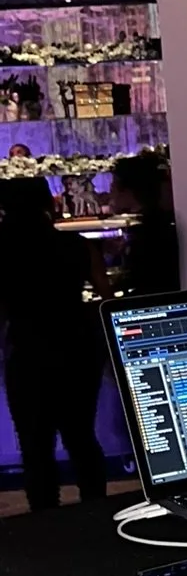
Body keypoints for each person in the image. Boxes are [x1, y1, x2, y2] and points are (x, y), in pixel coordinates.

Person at [0, 176, 111, 511]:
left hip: (27, 352)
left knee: (35, 446)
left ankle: (45, 519)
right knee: (82, 436)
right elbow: (106, 296)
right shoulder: (77, 245)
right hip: (78, 347)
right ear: (47, 204)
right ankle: (97, 511)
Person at [111, 152, 179, 295]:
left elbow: (148, 287)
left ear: (128, 191)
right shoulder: (161, 225)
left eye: (114, 185)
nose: (111, 192)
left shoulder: (148, 235)